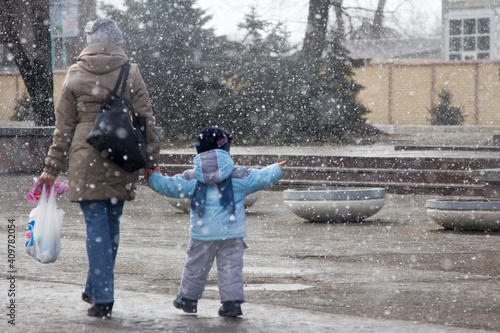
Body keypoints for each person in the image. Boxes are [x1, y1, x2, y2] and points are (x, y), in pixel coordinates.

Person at [38, 18, 160, 318]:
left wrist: (51, 167)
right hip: (122, 154)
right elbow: (146, 118)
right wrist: (151, 160)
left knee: (96, 227)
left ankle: (102, 295)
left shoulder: (75, 73)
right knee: (111, 225)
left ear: (91, 43)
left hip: (85, 155)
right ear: (118, 42)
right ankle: (98, 289)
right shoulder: (130, 71)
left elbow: (63, 128)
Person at [146, 126, 286, 317]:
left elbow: (170, 186)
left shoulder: (192, 177)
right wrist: (276, 169)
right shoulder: (238, 175)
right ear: (225, 149)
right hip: (231, 232)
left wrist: (154, 177)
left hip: (202, 234)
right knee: (231, 269)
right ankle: (231, 304)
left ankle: (188, 300)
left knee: (195, 267)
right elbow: (260, 178)